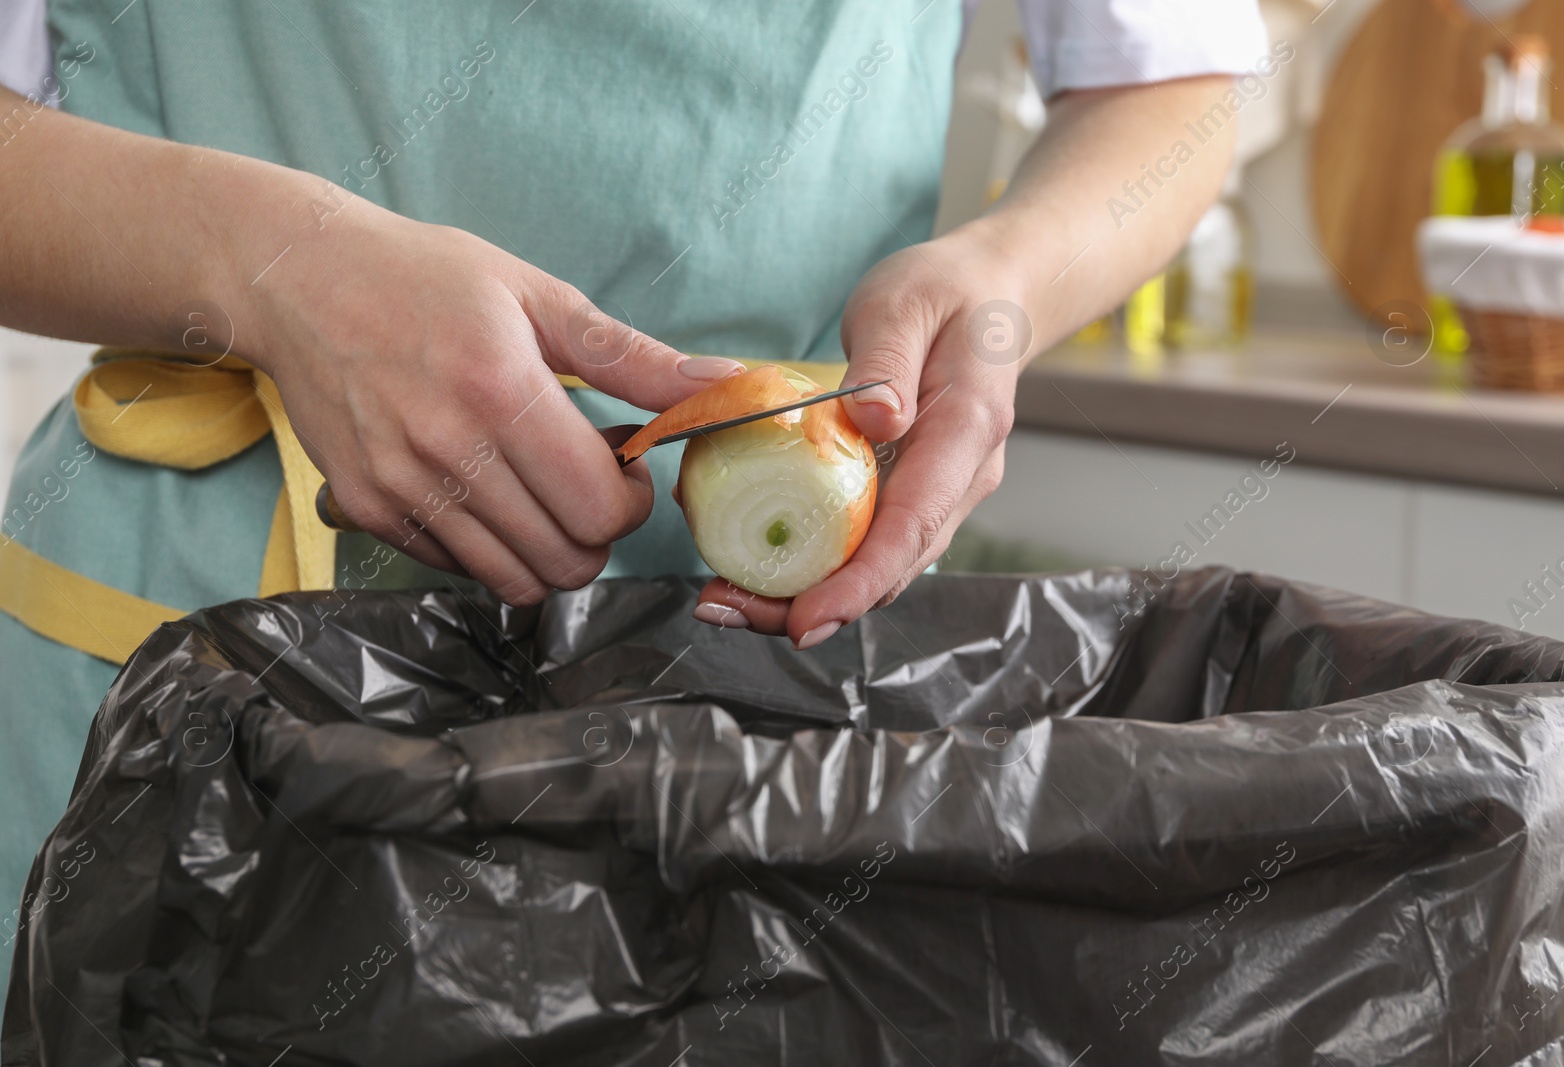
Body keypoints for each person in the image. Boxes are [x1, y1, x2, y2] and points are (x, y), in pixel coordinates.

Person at [0, 0, 1266, 972]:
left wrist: (1002, 285)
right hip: (178, 690)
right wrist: (273, 269)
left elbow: (1168, 79)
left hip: (761, 702)